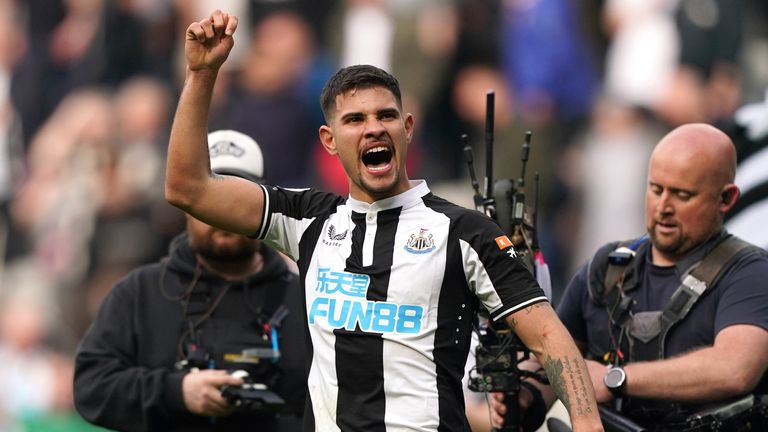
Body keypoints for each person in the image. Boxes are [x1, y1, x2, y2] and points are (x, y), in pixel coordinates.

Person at [164, 10, 603, 432]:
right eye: (355, 119)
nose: (373, 128)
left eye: (386, 115)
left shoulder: (464, 232)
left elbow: (549, 336)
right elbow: (188, 189)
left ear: (408, 127)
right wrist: (202, 75)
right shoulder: (308, 219)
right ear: (330, 141)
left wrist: (586, 423)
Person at [492, 123, 768, 431]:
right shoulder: (607, 267)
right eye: (656, 189)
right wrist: (527, 396)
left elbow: (735, 369)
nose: (663, 207)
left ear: (726, 198)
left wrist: (615, 379)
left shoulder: (750, 272)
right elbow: (554, 355)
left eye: (682, 195)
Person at [73, 129, 307, 431]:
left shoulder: (304, 298)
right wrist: (178, 391)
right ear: (185, 205)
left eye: (235, 197)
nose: (221, 212)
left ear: (262, 205)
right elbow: (91, 387)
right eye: (207, 198)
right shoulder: (141, 294)